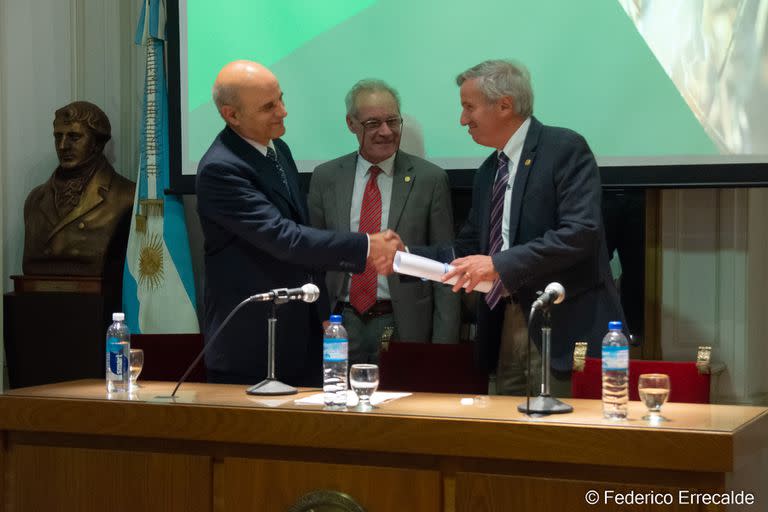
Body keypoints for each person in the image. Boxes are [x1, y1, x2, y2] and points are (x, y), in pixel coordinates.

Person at [196, 60, 401, 386]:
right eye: (268, 106)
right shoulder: (222, 169)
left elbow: (301, 235)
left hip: (300, 338)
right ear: (231, 115)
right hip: (253, 344)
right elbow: (284, 238)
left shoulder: (278, 150)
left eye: (280, 98)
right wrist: (365, 245)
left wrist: (320, 313)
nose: (283, 111)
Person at [434, 60, 625, 396]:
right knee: (511, 440)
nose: (463, 119)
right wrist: (401, 257)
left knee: (562, 441)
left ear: (504, 105)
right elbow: (466, 249)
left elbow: (581, 232)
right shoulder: (488, 171)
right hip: (504, 326)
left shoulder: (563, 149)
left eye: (469, 107)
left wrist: (498, 265)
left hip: (562, 325)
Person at [308, 79, 460, 364]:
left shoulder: (430, 180)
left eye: (393, 121)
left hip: (403, 324)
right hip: (340, 324)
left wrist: (443, 348)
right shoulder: (326, 178)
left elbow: (445, 267)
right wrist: (316, 320)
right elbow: (313, 258)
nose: (386, 132)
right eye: (373, 123)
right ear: (351, 124)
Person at [23, 101, 135, 278]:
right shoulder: (35, 199)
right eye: (58, 137)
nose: (62, 146)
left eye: (74, 137)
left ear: (97, 143)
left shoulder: (127, 195)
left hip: (98, 300)